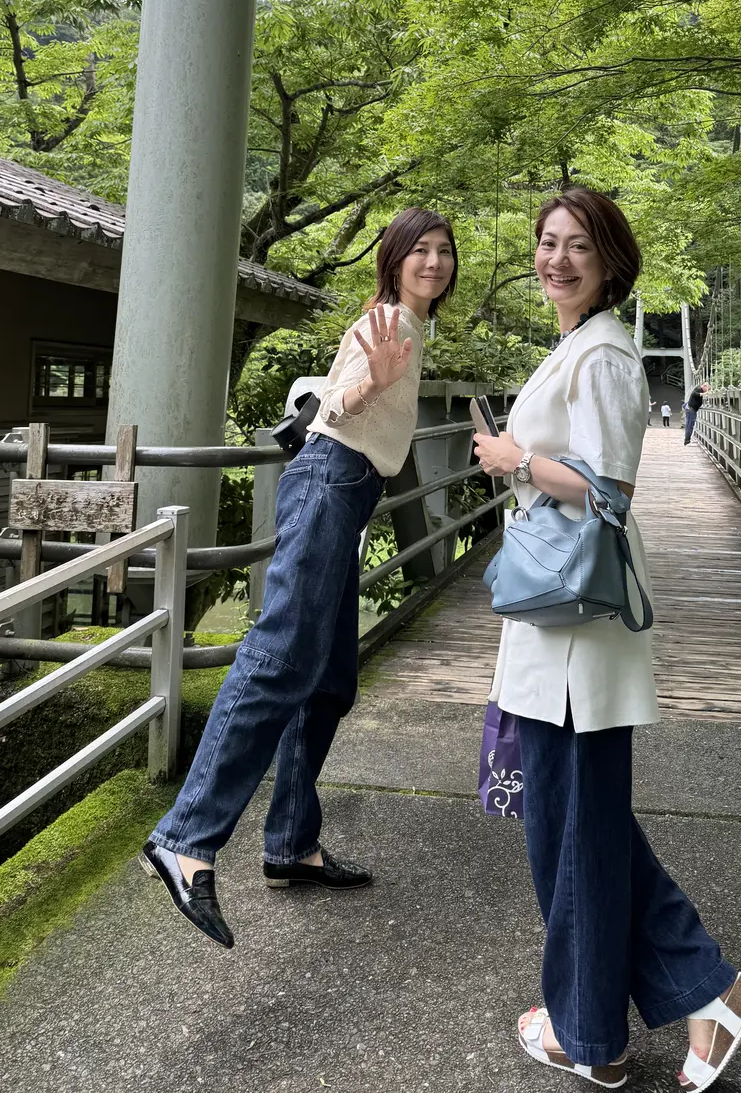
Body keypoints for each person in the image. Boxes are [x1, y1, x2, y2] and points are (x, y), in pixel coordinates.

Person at [474, 189, 741, 1091]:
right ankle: (681, 998)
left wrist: (513, 460)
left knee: (577, 834)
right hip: (559, 624)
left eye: (578, 246)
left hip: (579, 633)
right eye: (547, 243)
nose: (556, 259)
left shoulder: (602, 354)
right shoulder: (575, 346)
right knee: (573, 829)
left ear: (610, 261)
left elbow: (611, 491)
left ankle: (598, 1029)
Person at [140, 207, 458, 947]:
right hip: (331, 481)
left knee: (328, 678)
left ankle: (291, 843)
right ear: (394, 257)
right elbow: (333, 411)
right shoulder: (389, 323)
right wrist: (368, 382)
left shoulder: (407, 324)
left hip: (345, 493)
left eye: (445, 253)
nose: (435, 263)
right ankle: (186, 837)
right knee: (282, 656)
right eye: (421, 251)